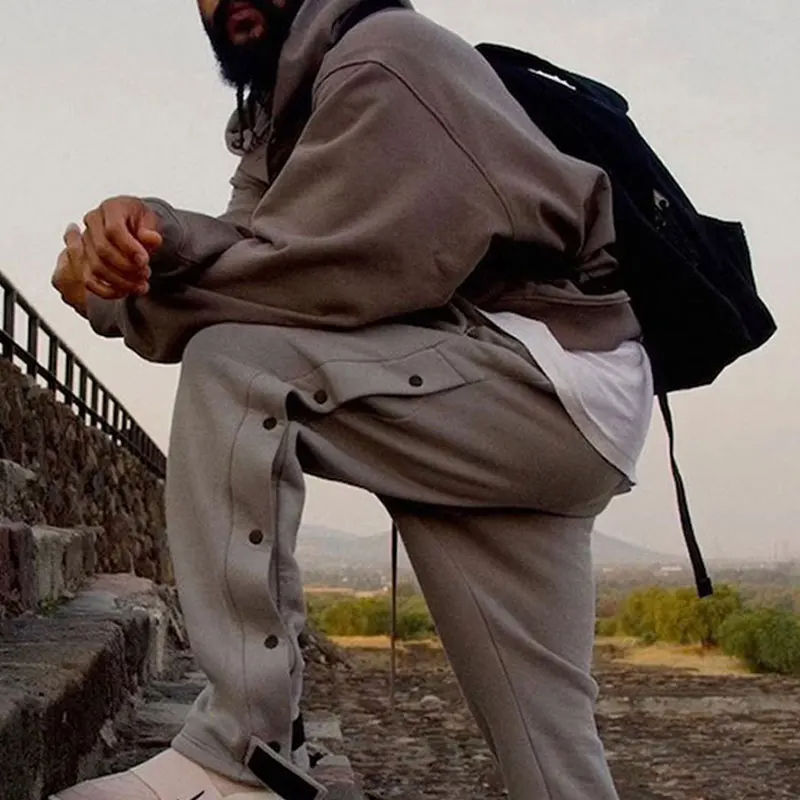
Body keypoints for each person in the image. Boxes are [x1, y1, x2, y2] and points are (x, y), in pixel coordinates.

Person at [51, 0, 653, 797]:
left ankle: (244, 755)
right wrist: (150, 239)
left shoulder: (383, 59)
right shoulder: (283, 109)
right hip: (529, 398)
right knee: (554, 760)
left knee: (238, 365)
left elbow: (307, 282)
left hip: (535, 378)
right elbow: (251, 241)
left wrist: (112, 303)